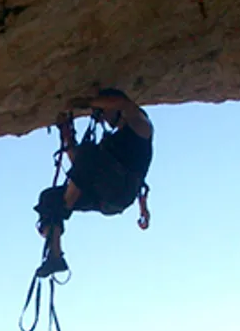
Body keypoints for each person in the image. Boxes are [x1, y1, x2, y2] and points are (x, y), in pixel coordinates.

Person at [33, 88, 154, 277]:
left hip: (120, 191)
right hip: (105, 193)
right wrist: (67, 135)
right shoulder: (109, 143)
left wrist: (88, 103)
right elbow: (81, 167)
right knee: (49, 198)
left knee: (88, 153)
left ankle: (64, 208)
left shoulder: (141, 126)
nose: (103, 117)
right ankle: (55, 256)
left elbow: (124, 104)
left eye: (105, 111)